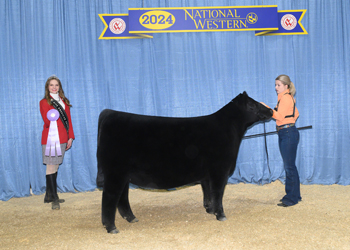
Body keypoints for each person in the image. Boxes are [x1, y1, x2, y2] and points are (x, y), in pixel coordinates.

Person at [262, 74, 301, 207]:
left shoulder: (285, 98)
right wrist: (289, 122)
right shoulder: (286, 98)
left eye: (278, 85)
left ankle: (292, 198)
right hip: (287, 132)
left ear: (286, 86)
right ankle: (294, 194)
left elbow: (278, 115)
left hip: (287, 133)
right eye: (275, 85)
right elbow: (296, 114)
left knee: (289, 166)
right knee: (290, 165)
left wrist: (266, 109)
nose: (276, 87)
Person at [40, 75, 75, 210]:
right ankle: (54, 198)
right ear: (47, 87)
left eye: (56, 85)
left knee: (56, 166)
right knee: (50, 166)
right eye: (51, 85)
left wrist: (70, 137)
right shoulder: (44, 102)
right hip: (50, 138)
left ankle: (49, 195)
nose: (54, 87)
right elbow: (47, 121)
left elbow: (69, 121)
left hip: (62, 138)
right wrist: (53, 114)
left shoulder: (64, 102)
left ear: (59, 87)